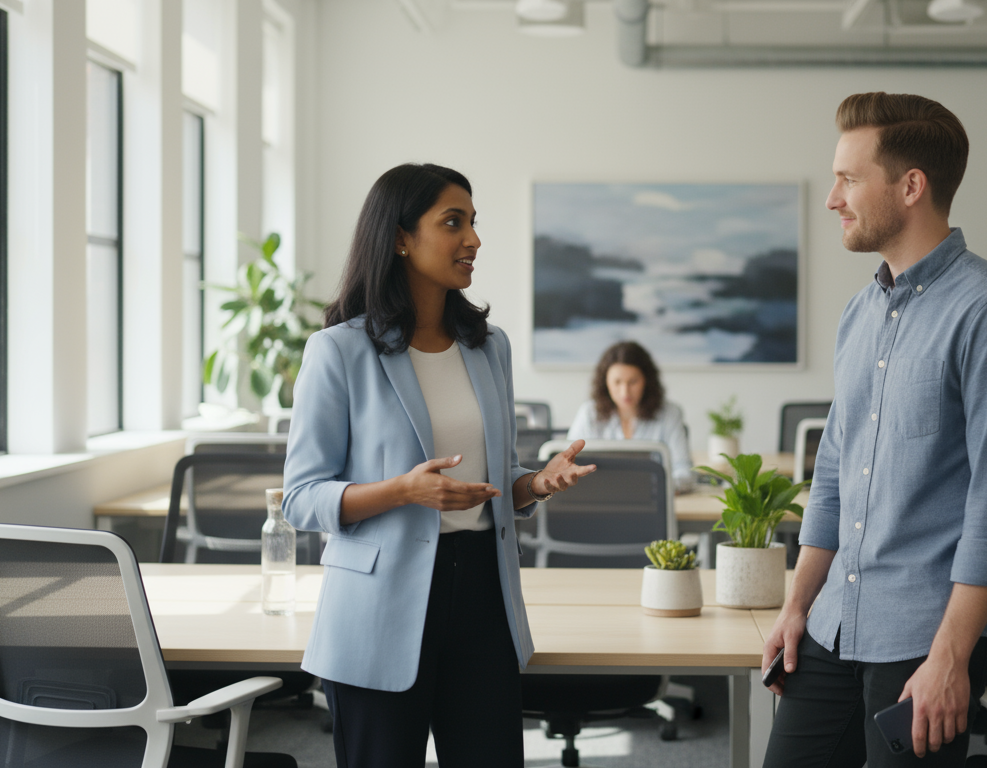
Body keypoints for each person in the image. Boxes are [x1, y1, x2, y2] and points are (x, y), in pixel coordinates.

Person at [761, 92, 987, 768]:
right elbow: (832, 473)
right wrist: (796, 605)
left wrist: (952, 658)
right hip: (835, 622)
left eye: (849, 178)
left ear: (911, 186)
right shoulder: (859, 314)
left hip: (930, 634)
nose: (833, 197)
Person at [282, 163, 595, 768]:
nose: (472, 239)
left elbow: (494, 479)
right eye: (453, 222)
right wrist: (401, 491)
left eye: (473, 222)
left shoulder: (489, 346)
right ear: (401, 236)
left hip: (482, 591)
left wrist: (533, 484)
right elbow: (301, 497)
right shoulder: (339, 350)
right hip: (378, 604)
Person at [567, 340, 695, 493]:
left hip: (652, 503)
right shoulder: (589, 413)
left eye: (633, 382)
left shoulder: (669, 414)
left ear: (646, 381)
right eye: (617, 382)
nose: (625, 392)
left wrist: (651, 488)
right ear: (605, 382)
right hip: (599, 501)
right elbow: (569, 466)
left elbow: (684, 472)